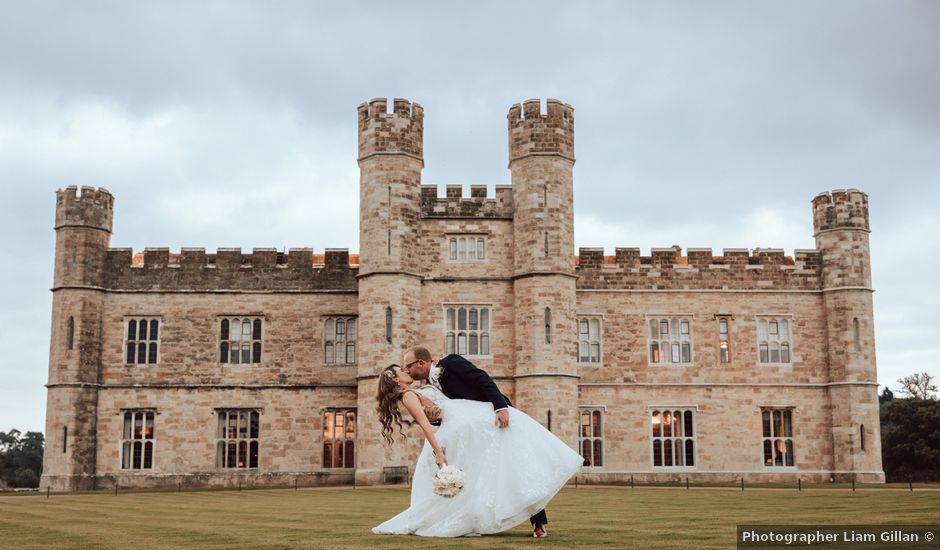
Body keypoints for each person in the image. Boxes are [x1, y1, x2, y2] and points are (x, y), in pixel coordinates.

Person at [371, 350, 582, 538]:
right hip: (469, 431)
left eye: (408, 366)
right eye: (403, 369)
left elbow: (482, 378)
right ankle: (471, 518)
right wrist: (434, 417)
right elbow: (438, 415)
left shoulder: (450, 363)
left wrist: (500, 408)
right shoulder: (423, 388)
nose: (407, 370)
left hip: (491, 418)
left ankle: (537, 521)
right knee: (490, 473)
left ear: (420, 363)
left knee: (517, 463)